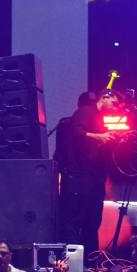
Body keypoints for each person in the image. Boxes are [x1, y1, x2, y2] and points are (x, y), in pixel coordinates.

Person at [56, 89, 122, 247]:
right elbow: (77, 131)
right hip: (79, 177)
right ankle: (73, 257)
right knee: (74, 218)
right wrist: (100, 137)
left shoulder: (98, 118)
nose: (115, 108)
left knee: (92, 221)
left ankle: (90, 256)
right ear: (104, 97)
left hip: (93, 178)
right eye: (114, 103)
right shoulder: (86, 111)